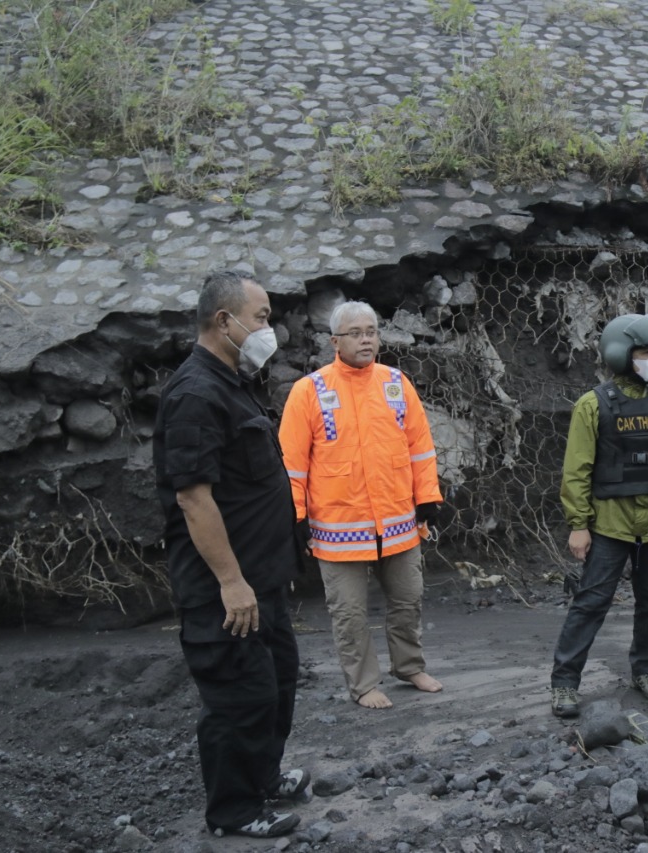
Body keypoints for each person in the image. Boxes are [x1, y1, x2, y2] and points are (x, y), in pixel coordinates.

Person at [152, 270, 308, 839]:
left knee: (277, 682)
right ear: (225, 321)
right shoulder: (195, 393)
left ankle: (263, 777)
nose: (269, 329)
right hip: (226, 589)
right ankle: (234, 811)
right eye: (262, 317)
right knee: (239, 699)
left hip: (261, 580)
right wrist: (231, 582)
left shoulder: (232, 382)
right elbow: (194, 499)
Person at [278, 301, 444, 710]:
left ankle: (409, 667)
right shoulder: (309, 391)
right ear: (335, 341)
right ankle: (364, 684)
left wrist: (427, 497)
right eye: (356, 332)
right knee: (349, 614)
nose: (366, 338)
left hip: (398, 522)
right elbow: (292, 464)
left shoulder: (395, 382)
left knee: (408, 599)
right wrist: (295, 515)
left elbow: (420, 448)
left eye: (371, 330)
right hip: (338, 527)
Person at [550, 313, 648, 719]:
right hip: (609, 524)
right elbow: (577, 470)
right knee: (590, 603)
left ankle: (646, 671)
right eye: (646, 352)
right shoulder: (593, 405)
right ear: (621, 355)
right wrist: (578, 525)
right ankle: (565, 683)